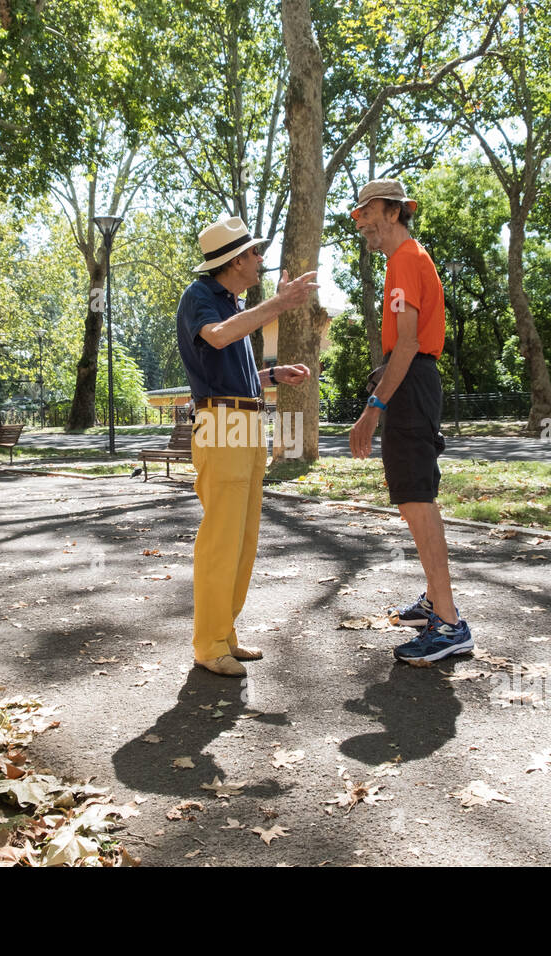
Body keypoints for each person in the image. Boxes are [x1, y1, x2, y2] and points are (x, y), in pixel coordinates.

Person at [177, 215, 317, 677]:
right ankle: (209, 643)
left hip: (247, 421)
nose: (260, 258)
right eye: (255, 252)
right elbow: (217, 337)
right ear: (235, 260)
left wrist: (274, 376)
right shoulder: (201, 298)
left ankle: (225, 633)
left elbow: (232, 374)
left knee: (244, 540)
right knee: (222, 539)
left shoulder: (232, 303)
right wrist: (278, 303)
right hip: (221, 425)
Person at [347, 179, 473, 664]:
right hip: (411, 383)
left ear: (394, 212)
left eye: (367, 212)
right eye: (357, 214)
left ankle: (449, 623)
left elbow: (406, 344)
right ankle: (433, 602)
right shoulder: (408, 259)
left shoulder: (404, 260)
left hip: (411, 385)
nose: (360, 221)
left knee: (418, 500)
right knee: (411, 497)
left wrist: (372, 409)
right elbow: (406, 343)